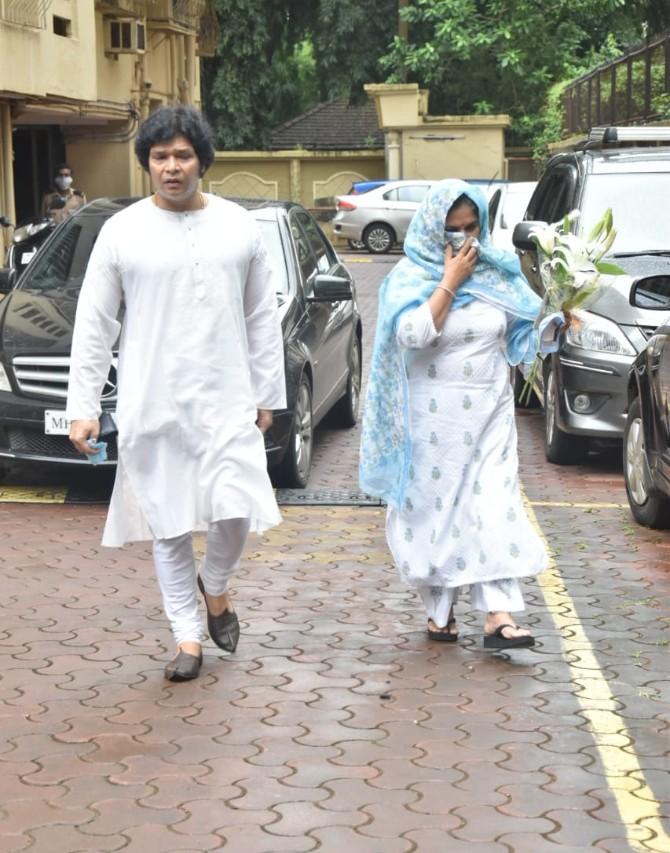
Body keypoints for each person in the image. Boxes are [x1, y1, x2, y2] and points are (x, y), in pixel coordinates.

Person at [66, 105, 286, 681]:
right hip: (152, 399)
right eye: (160, 156)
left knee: (235, 511)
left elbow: (263, 316)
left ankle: (214, 587)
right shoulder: (122, 231)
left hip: (227, 398)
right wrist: (83, 407)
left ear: (202, 161)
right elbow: (95, 324)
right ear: (147, 163)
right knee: (166, 523)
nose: (171, 166)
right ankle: (187, 639)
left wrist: (268, 394)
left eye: (182, 155)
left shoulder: (240, 226)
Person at [360, 179, 561, 650]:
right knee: (438, 514)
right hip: (432, 426)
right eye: (453, 229)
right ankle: (440, 612)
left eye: (472, 228)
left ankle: (498, 615)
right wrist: (449, 283)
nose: (464, 239)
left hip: (490, 416)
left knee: (493, 505)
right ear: (434, 229)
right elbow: (412, 335)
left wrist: (554, 322)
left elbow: (519, 340)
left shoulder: (497, 274)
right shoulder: (410, 279)